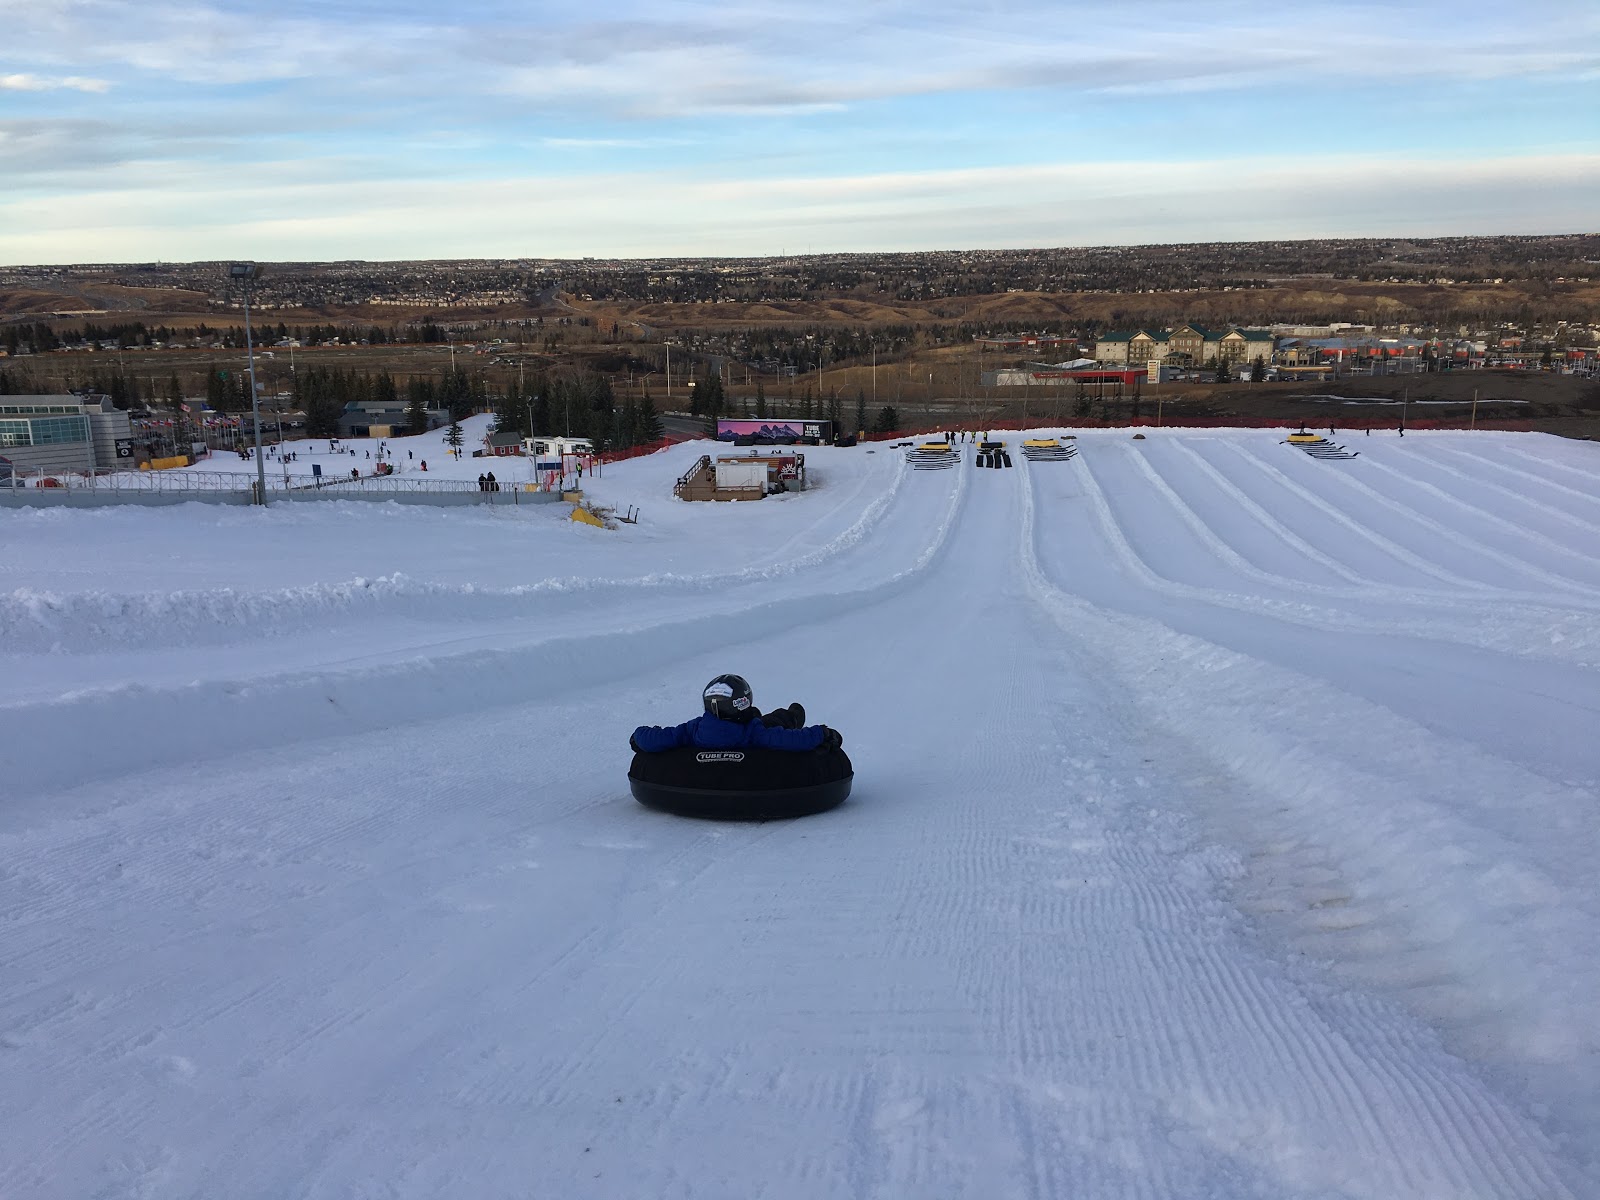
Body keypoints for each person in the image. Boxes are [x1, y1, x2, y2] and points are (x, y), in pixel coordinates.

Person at [631, 674, 840, 754]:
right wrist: (823, 733)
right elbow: (790, 739)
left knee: (760, 719)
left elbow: (656, 738)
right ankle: (792, 716)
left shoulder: (693, 729)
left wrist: (638, 737)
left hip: (729, 726)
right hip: (755, 728)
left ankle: (784, 715)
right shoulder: (754, 733)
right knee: (773, 722)